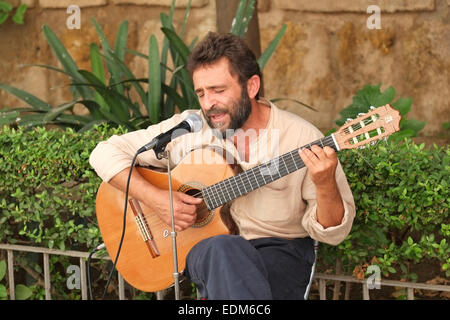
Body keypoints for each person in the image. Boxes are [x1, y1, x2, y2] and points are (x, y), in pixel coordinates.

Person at [89, 32, 355, 300]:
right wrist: (157, 199)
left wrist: (325, 183)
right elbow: (104, 153)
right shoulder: (189, 129)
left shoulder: (301, 138)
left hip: (279, 254)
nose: (208, 104)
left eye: (218, 90)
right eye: (201, 93)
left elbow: (333, 233)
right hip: (211, 255)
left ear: (251, 87)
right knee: (222, 248)